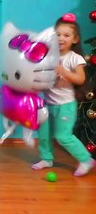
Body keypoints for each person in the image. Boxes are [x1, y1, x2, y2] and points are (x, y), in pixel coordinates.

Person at [31, 13, 95, 176]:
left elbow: (80, 79)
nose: (61, 38)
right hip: (48, 104)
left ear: (75, 39)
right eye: (57, 34)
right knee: (43, 133)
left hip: (65, 106)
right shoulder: (49, 57)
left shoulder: (75, 58)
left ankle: (86, 159)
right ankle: (46, 158)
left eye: (66, 35)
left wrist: (64, 72)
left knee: (62, 136)